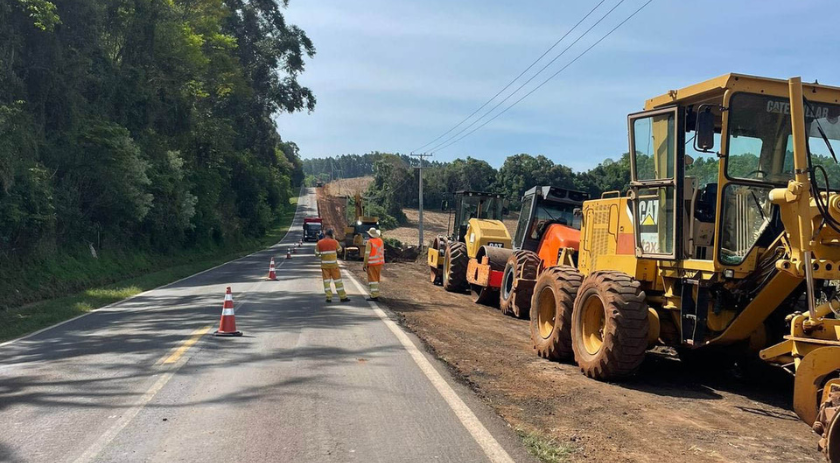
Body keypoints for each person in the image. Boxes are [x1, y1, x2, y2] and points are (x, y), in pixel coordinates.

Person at [315, 229, 349, 303]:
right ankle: (343, 297)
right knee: (338, 281)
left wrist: (322, 254)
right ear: (331, 235)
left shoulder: (320, 242)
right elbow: (340, 250)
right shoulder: (334, 242)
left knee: (326, 282)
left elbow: (316, 253)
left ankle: (328, 297)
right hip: (334, 266)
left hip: (325, 266)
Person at [362, 227, 384, 301]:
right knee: (377, 279)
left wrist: (364, 264)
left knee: (372, 279)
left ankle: (374, 296)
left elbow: (367, 254)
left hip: (372, 263)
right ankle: (376, 293)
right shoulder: (380, 241)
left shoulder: (370, 242)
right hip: (380, 263)